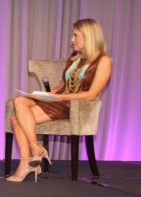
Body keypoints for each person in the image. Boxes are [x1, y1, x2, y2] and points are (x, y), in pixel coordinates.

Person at [7, 18, 112, 182]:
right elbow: (64, 85)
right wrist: (45, 94)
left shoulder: (104, 60)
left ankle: (26, 161)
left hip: (74, 106)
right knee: (19, 101)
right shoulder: (75, 57)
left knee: (16, 119)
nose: (72, 40)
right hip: (59, 100)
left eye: (75, 35)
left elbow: (91, 94)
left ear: (89, 36)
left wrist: (60, 97)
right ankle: (35, 148)